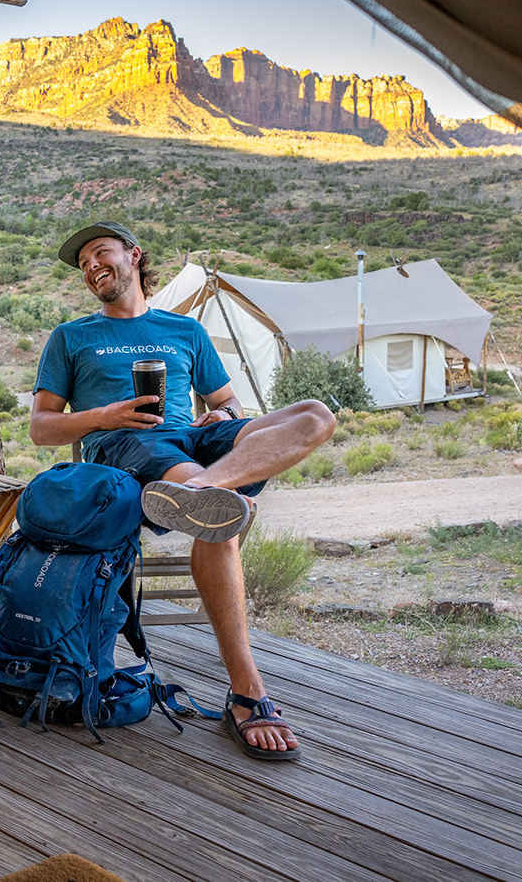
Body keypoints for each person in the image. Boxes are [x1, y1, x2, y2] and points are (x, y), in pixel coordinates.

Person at [30, 221, 336, 761]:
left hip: (193, 442)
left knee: (314, 415)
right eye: (83, 264)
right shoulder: (71, 337)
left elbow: (229, 404)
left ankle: (201, 490)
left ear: (134, 255)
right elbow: (41, 427)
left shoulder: (185, 330)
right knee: (218, 519)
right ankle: (248, 692)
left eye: (100, 253)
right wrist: (105, 415)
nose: (91, 266)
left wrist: (222, 415)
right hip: (124, 448)